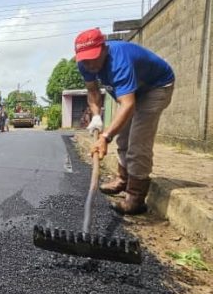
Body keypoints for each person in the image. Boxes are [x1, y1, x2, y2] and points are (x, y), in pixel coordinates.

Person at [74, 28, 175, 215]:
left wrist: (105, 137)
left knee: (137, 142)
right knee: (123, 137)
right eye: (85, 60)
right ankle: (122, 179)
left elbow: (127, 104)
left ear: (104, 48)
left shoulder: (119, 60)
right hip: (133, 92)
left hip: (156, 87)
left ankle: (135, 198)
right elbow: (93, 91)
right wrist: (96, 116)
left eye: (93, 58)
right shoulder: (84, 64)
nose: (89, 64)